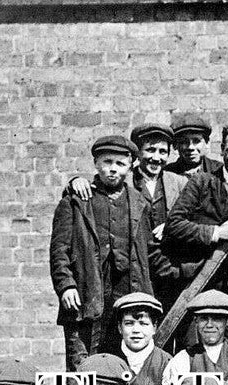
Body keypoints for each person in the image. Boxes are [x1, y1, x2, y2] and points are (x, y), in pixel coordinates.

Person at [51, 134, 158, 369]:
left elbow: (151, 254)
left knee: (124, 366)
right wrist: (66, 285)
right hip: (85, 295)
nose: (113, 169)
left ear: (131, 167)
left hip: (127, 297)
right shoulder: (76, 201)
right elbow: (59, 251)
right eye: (107, 162)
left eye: (120, 164)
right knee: (82, 366)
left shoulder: (140, 204)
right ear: (96, 164)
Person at [163, 119, 228, 350]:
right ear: (221, 150)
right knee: (193, 347)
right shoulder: (202, 182)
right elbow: (174, 225)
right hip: (196, 282)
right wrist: (216, 232)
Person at [164, 113, 222, 177]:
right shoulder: (167, 173)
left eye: (196, 141)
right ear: (175, 145)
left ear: (207, 143)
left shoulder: (218, 171)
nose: (190, 147)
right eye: (184, 142)